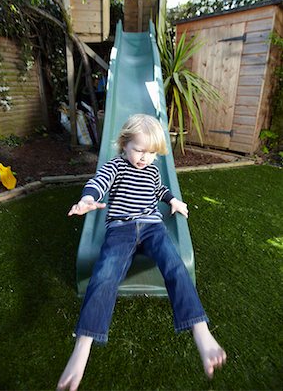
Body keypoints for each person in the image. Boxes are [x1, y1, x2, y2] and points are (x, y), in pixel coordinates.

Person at [57, 114, 226, 391]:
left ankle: (201, 332)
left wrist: (174, 201)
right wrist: (88, 199)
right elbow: (99, 182)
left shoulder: (152, 170)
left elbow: (159, 189)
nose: (144, 158)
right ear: (124, 144)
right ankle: (82, 347)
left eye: (150, 153)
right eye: (138, 150)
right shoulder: (116, 167)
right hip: (121, 229)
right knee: (105, 274)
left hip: (152, 227)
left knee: (174, 265)